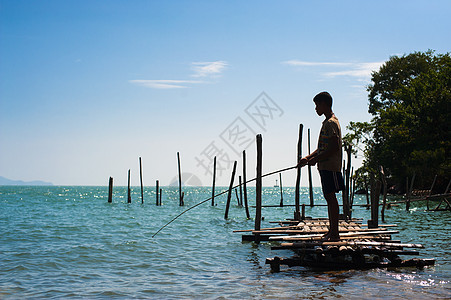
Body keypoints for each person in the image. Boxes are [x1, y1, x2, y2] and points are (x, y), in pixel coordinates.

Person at [298, 91, 344, 241]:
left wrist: (316, 160)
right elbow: (323, 147)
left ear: (324, 104)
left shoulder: (331, 123)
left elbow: (334, 147)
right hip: (325, 166)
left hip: (330, 166)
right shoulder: (327, 122)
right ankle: (332, 231)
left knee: (331, 198)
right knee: (328, 197)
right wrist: (308, 158)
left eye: (317, 105)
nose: (316, 108)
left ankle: (335, 233)